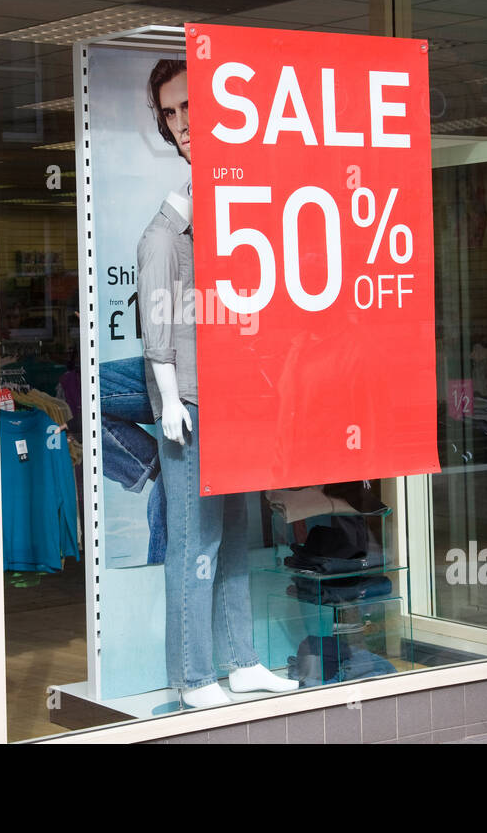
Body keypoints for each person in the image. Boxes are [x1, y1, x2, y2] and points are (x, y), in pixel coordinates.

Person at [136, 58, 294, 707]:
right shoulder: (162, 239)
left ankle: (242, 659)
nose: (179, 126)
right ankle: (196, 674)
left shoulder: (223, 222)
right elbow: (157, 326)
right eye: (169, 115)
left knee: (233, 534)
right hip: (191, 409)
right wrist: (170, 400)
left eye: (187, 110)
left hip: (231, 403)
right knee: (193, 542)